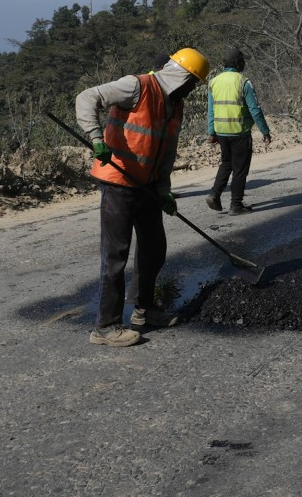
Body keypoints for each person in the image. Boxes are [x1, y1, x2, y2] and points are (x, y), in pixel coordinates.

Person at [76, 47, 210, 347]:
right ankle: (105, 327)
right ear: (181, 75)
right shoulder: (137, 86)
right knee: (116, 257)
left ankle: (144, 311)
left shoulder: (175, 105)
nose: (192, 89)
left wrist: (164, 191)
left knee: (154, 248)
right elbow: (87, 97)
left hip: (147, 186)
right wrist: (96, 138)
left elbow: (166, 152)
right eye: (192, 82)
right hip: (119, 182)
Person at [205, 48, 272, 215]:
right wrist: (265, 131)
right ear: (237, 63)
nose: (244, 63)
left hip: (221, 132)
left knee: (226, 163)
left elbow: (211, 110)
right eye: (242, 60)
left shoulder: (214, 82)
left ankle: (214, 194)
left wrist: (211, 132)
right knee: (240, 168)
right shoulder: (244, 82)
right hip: (239, 132)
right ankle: (236, 205)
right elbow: (255, 109)